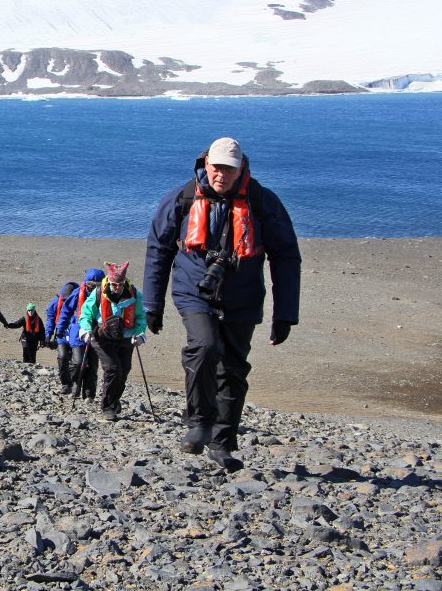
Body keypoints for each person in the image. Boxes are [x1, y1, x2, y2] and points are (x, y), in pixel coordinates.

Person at [144, 137, 301, 472]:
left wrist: (285, 313)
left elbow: (286, 256)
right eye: (217, 167)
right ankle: (198, 421)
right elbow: (159, 249)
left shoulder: (262, 201)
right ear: (206, 164)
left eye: (229, 168)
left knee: (232, 368)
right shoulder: (181, 199)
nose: (221, 174)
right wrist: (152, 303)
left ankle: (223, 442)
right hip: (193, 289)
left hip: (242, 296)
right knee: (203, 346)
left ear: (240, 167)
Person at [78, 261, 146, 421]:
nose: (117, 288)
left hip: (126, 337)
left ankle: (114, 401)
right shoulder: (98, 293)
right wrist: (85, 330)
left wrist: (140, 334)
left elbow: (142, 318)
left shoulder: (136, 295)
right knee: (113, 369)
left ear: (125, 283)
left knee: (124, 371)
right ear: (109, 282)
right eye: (114, 285)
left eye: (120, 285)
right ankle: (107, 407)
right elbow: (86, 314)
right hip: (102, 337)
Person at [55, 269, 104, 400]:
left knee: (92, 366)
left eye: (96, 285)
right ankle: (74, 383)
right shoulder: (77, 293)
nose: (92, 288)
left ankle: (89, 394)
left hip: (97, 333)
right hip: (78, 333)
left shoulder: (105, 296)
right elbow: (66, 311)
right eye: (90, 284)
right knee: (78, 362)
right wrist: (60, 328)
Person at [45, 281, 79, 394]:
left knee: (76, 361)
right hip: (62, 335)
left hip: (76, 335)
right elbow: (50, 318)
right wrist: (48, 334)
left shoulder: (81, 300)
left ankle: (74, 382)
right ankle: (65, 384)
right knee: (62, 357)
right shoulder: (56, 302)